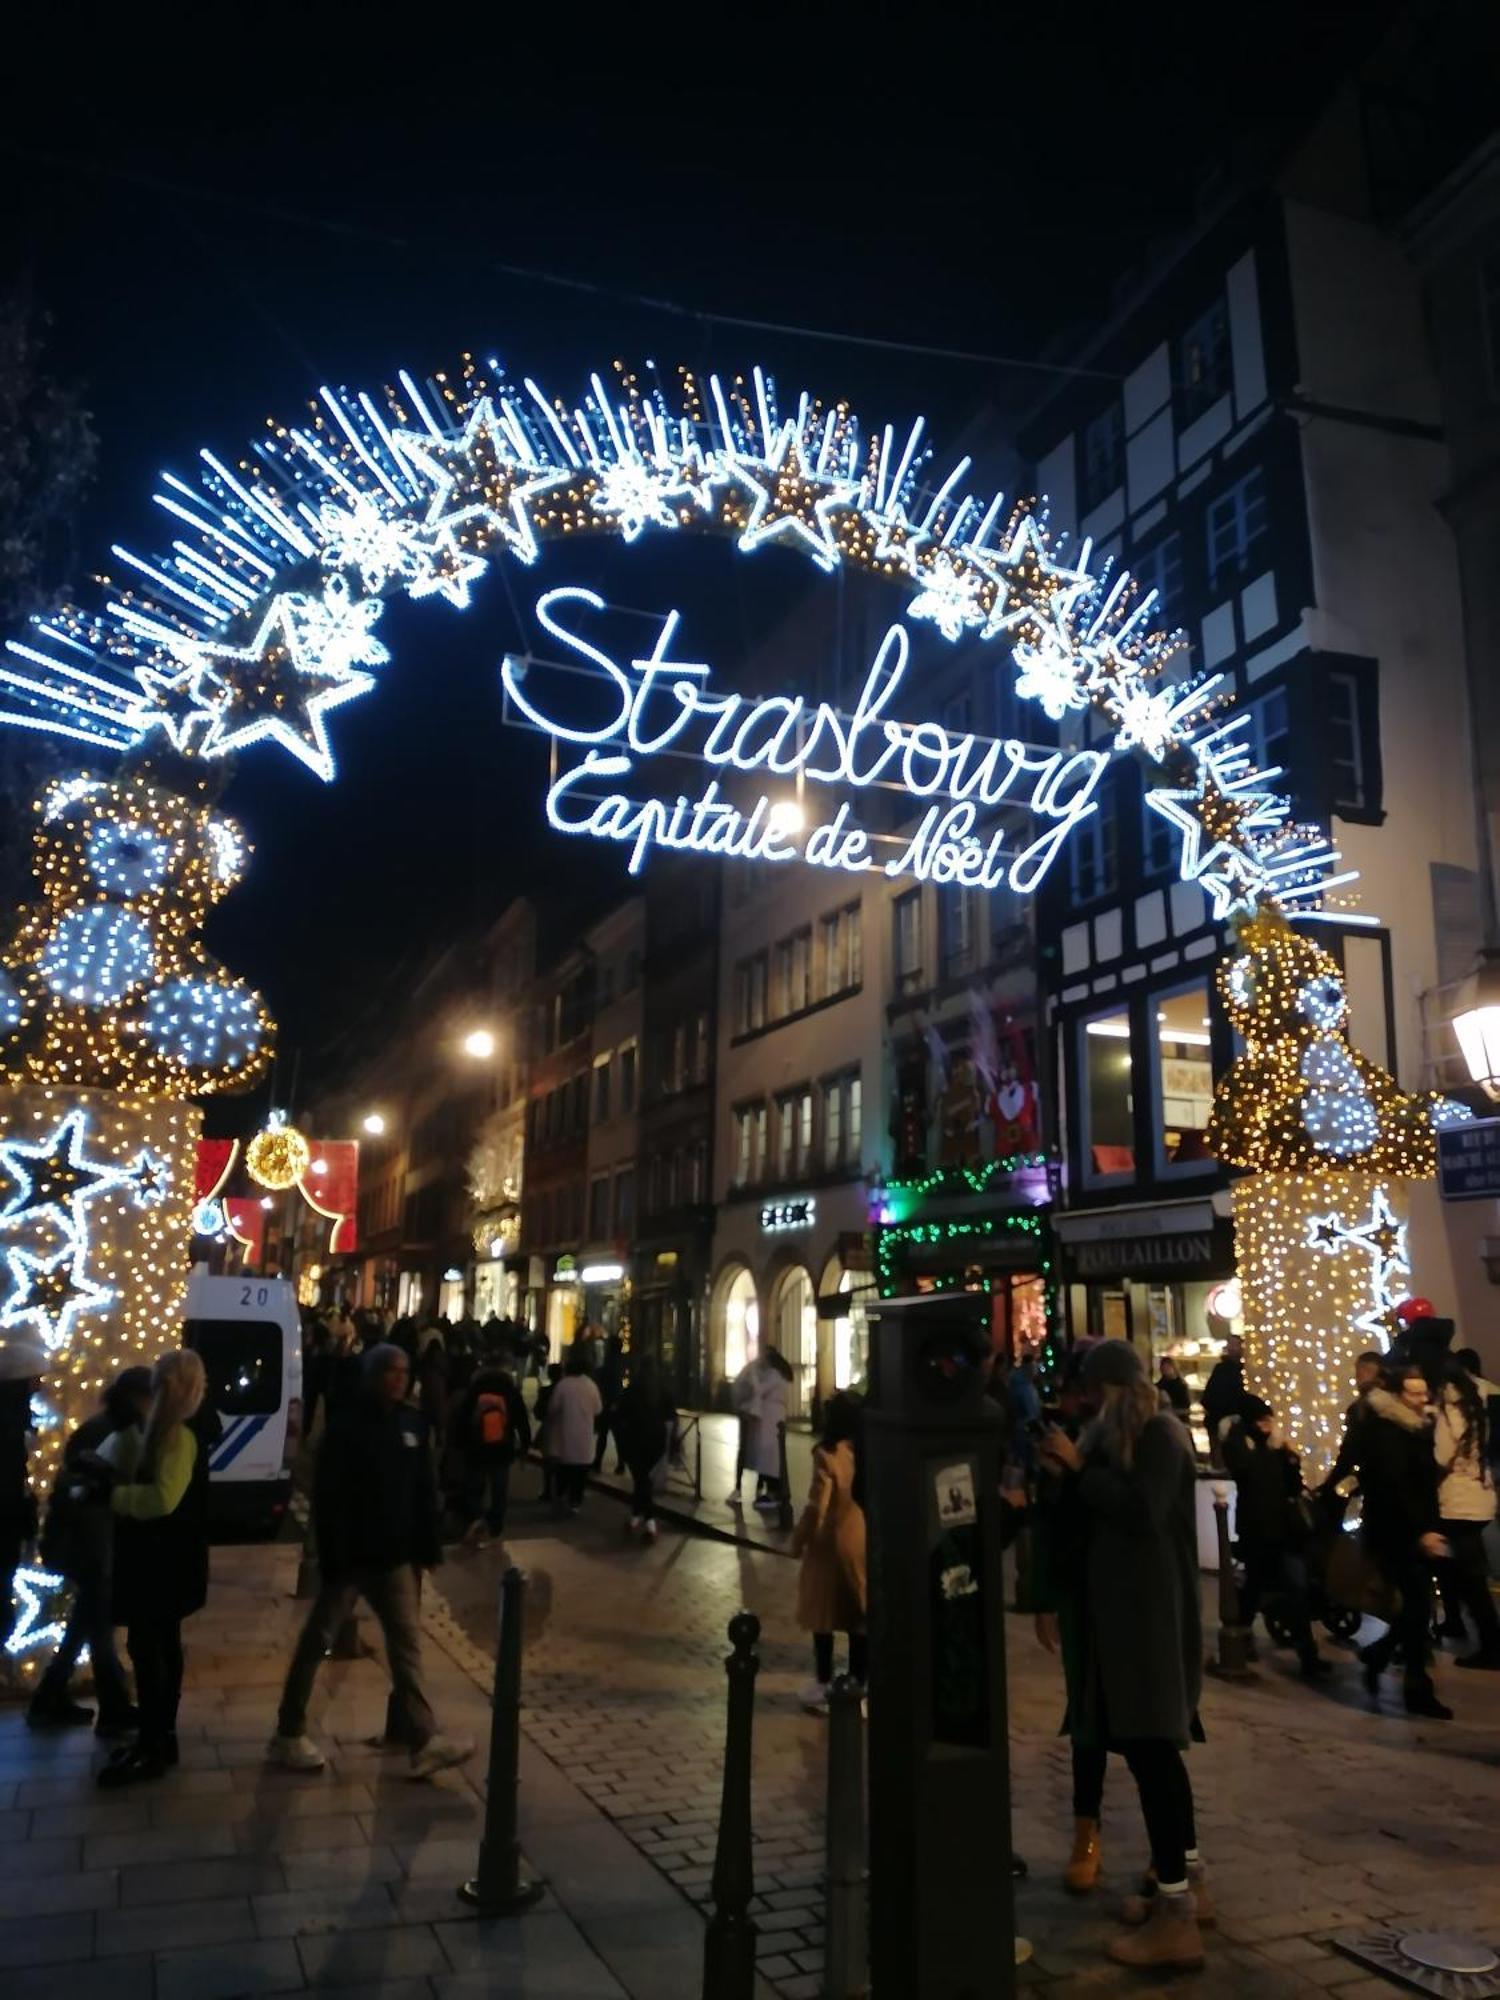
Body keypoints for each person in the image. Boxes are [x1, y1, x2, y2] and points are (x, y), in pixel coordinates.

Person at [1038, 1340, 1208, 1974]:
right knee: (1149, 1752)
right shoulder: (1116, 1437)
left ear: (1113, 1387)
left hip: (1150, 1623)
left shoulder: (1161, 1434)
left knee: (1155, 1752)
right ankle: (1179, 1889)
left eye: (1094, 1388)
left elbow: (1142, 1511)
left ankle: (1178, 1914)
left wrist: (1081, 1475)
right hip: (1123, 1622)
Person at [269, 1343, 473, 1777]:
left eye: (404, 1370)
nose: (399, 1379)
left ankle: (423, 1739)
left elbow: (421, 1490)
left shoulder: (410, 1424)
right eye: (390, 1371)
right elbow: (330, 1496)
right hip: (354, 1555)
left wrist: (427, 1546)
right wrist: (334, 1555)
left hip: (396, 1556)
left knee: (406, 1646)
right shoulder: (348, 1427)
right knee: (317, 1640)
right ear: (372, 1375)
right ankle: (288, 1730)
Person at [96, 1350, 213, 1787]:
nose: (154, 1388)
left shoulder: (179, 1435)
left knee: (151, 1650)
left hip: (163, 1561)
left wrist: (115, 1498)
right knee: (159, 1645)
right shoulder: (164, 1429)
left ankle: (154, 1743)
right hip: (165, 1560)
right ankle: (159, 1737)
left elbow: (164, 1499)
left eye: (161, 1381)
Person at [29, 1366, 152, 1733]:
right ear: (137, 1398)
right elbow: (89, 1496)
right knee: (97, 1624)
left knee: (86, 1622)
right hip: (90, 1543)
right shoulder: (112, 1434)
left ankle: (49, 1698)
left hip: (82, 1541)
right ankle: (112, 1707)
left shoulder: (103, 1426)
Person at [1355, 1360, 1451, 1719]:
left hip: (1411, 1529)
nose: (1420, 1397)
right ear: (1397, 1394)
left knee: (1416, 1608)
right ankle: (1414, 1686)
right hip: (1399, 1532)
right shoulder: (1390, 1431)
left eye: (1423, 1391)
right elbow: (1397, 1488)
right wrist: (1422, 1530)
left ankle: (1380, 1658)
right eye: (1412, 1392)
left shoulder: (1415, 1427)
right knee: (1416, 1607)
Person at [1221, 1395, 1329, 1678]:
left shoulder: (1274, 1445)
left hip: (1283, 1531)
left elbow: (1292, 1486)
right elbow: (1244, 1472)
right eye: (1262, 1421)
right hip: (1256, 1530)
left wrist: (1291, 1460)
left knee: (1295, 1587)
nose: (1268, 1425)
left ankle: (1308, 1654)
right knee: (1256, 1584)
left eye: (1270, 1420)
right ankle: (1242, 1633)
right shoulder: (1238, 1442)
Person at [792, 1393, 867, 1711]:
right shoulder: (862, 1452)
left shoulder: (827, 1455)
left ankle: (823, 1683)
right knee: (857, 1614)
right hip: (860, 1537)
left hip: (829, 1544)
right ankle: (859, 1681)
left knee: (822, 1613)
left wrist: (799, 1539)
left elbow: (816, 1506)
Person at [1432, 1359, 1498, 1669]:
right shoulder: (1476, 1407)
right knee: (1471, 1573)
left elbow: (1442, 1455)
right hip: (1481, 1495)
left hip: (1458, 1500)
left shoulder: (1448, 1410)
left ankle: (1491, 1645)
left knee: (1471, 1578)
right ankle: (1484, 1637)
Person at [452, 1364, 530, 1547]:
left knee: (474, 1488)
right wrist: (524, 1445)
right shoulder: (510, 1392)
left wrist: (459, 1444)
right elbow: (522, 1420)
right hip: (502, 1449)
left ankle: (476, 1519)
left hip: (477, 1448)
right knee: (499, 1491)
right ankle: (495, 1527)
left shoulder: (475, 1391)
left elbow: (463, 1419)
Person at [614, 1356, 677, 1543]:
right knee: (642, 1480)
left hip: (636, 1441)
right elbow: (671, 1416)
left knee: (642, 1481)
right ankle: (635, 1518)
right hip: (656, 1441)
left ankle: (650, 1523)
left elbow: (620, 1415)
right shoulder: (662, 1391)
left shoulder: (632, 1390)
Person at [547, 1350, 603, 1515]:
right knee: (580, 1474)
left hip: (565, 1435)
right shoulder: (591, 1386)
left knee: (563, 1471)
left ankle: (560, 1496)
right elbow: (598, 1409)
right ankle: (575, 1502)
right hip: (584, 1437)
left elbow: (553, 1408)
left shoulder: (563, 1385)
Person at [1327, 1351, 1383, 1486]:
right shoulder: (1391, 1404)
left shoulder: (1363, 1409)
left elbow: (1349, 1452)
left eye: (1364, 1371)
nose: (1359, 1377)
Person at [749, 1347, 791, 1510]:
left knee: (769, 1454)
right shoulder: (779, 1374)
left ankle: (774, 1492)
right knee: (770, 1454)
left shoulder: (774, 1374)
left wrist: (753, 1376)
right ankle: (772, 1490)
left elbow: (760, 1389)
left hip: (771, 1416)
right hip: (773, 1415)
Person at [1200, 1333, 1244, 1467]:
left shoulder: (1234, 1370)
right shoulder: (1222, 1368)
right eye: (1229, 1344)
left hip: (1228, 1421)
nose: (1230, 1347)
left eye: (1233, 1344)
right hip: (1219, 1420)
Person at [594, 1333, 627, 1473]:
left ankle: (598, 1463)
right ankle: (620, 1464)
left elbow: (607, 1379)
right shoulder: (621, 1360)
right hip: (615, 1402)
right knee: (616, 1436)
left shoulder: (610, 1361)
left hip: (609, 1402)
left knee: (604, 1435)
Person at [535, 1361, 563, 1501]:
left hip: (549, 1427)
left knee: (548, 1461)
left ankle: (547, 1490)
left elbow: (538, 1412)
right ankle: (559, 1490)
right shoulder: (565, 1391)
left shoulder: (546, 1391)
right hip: (564, 1428)